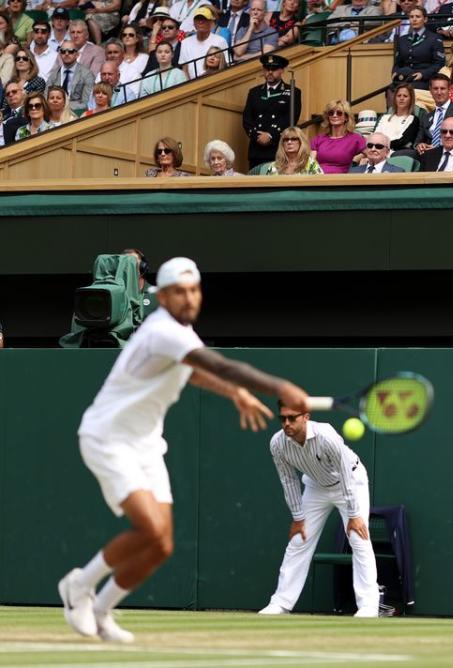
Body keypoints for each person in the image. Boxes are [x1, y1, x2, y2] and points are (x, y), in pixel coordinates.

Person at [58, 256, 309, 643]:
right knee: (149, 527)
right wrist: (279, 388)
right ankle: (78, 586)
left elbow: (194, 372)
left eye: (194, 290)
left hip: (145, 443)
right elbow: (220, 365)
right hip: (107, 437)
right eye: (179, 291)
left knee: (161, 545)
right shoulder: (163, 332)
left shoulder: (180, 337)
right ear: (162, 297)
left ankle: (103, 610)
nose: (189, 298)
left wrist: (236, 394)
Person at [258, 400, 380, 617]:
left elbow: (346, 475)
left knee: (358, 538)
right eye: (282, 418)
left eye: (292, 418)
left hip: (350, 482)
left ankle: (368, 606)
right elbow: (288, 481)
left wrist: (353, 514)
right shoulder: (277, 443)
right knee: (298, 541)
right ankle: (281, 603)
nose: (286, 423)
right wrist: (298, 517)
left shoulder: (326, 436)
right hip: (315, 487)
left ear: (306, 417)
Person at [243, 53, 302, 170]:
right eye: (266, 69)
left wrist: (270, 135)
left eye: (274, 69)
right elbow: (247, 119)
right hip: (256, 149)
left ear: (282, 70)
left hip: (278, 147)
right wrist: (257, 136)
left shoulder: (292, 91)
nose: (270, 72)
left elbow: (291, 117)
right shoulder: (254, 92)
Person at [413, 74, 453, 155]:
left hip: (452, 155)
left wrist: (441, 148)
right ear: (430, 90)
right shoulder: (426, 117)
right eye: (435, 89)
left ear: (450, 89)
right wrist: (419, 145)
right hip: (427, 156)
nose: (439, 92)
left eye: (442, 88)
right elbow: (418, 140)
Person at [391, 6, 444, 90]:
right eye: (411, 17)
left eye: (418, 17)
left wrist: (423, 74)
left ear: (425, 19)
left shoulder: (434, 38)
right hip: (404, 78)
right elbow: (397, 63)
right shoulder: (402, 39)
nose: (414, 19)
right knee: (391, 89)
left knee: (410, 89)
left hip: (423, 80)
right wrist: (394, 72)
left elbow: (439, 63)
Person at [309, 99, 366, 173]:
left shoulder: (355, 139)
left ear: (346, 117)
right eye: (331, 113)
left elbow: (372, 152)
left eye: (339, 113)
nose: (334, 115)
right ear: (328, 117)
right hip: (319, 179)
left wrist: (356, 159)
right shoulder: (318, 139)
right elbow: (311, 164)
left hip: (342, 181)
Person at [179, 6, 229, 79]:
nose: (200, 22)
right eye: (198, 19)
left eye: (204, 19)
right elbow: (185, 69)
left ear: (211, 23)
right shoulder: (185, 42)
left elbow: (224, 65)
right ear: (194, 23)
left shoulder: (220, 41)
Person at [45, 41, 95, 111]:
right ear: (60, 54)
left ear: (77, 54)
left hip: (77, 114)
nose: (66, 54)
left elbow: (86, 103)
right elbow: (46, 99)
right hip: (55, 113)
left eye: (70, 51)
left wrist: (62, 106)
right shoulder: (54, 74)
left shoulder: (87, 74)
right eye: (63, 51)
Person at [374, 82, 422, 150]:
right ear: (395, 98)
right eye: (399, 96)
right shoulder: (384, 118)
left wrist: (382, 145)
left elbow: (403, 141)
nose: (401, 98)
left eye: (405, 96)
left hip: (397, 154)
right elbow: (375, 137)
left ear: (411, 99)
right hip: (377, 151)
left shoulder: (414, 119)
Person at [3, 48, 46, 119]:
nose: (21, 60)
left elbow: (35, 102)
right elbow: (5, 106)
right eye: (18, 58)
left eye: (25, 58)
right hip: (9, 117)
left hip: (28, 117)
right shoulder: (10, 83)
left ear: (31, 62)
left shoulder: (39, 81)